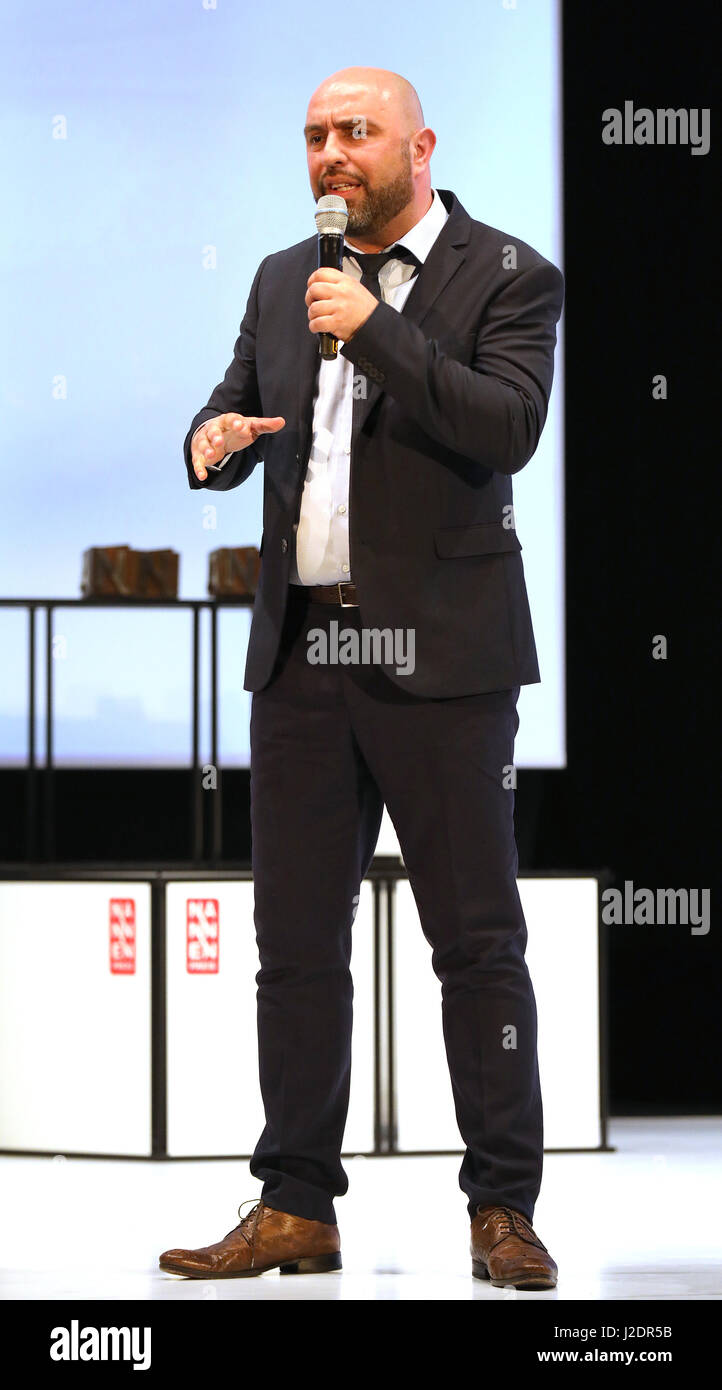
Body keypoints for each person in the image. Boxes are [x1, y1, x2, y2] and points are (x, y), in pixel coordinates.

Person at [160, 66, 564, 1290]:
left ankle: (501, 1208)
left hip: (439, 661)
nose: (330, 152)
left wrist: (376, 328)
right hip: (303, 659)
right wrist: (208, 444)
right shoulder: (285, 277)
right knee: (292, 947)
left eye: (355, 132)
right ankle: (293, 1205)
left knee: (475, 943)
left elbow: (505, 427)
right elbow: (234, 407)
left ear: (418, 145)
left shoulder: (507, 274)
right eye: (313, 135)